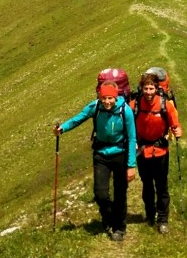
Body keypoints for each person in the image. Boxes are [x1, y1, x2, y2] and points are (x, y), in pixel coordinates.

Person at [54, 81, 136, 241]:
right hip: (101, 154)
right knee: (100, 194)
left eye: (110, 98)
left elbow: (132, 138)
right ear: (99, 95)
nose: (107, 102)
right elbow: (78, 118)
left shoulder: (125, 111)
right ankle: (109, 217)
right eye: (104, 97)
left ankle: (119, 228)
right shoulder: (95, 107)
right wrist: (62, 129)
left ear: (116, 96)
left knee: (120, 193)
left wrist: (131, 165)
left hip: (121, 153)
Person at [132, 71, 182, 233]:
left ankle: (163, 219)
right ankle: (150, 213)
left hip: (160, 151)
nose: (148, 92)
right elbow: (127, 123)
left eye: (151, 89)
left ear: (156, 89)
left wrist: (178, 130)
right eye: (145, 88)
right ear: (141, 89)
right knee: (147, 184)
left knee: (161, 186)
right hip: (142, 151)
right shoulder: (135, 105)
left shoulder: (165, 105)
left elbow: (175, 124)